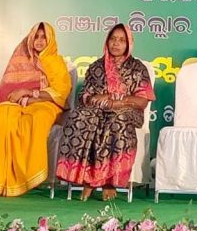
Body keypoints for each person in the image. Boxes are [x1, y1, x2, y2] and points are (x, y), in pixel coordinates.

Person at [56, 24, 155, 201]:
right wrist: (97, 98)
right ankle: (87, 178)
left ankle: (109, 181)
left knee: (116, 120)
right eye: (113, 39)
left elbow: (142, 100)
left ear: (129, 44)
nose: (116, 43)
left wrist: (120, 101)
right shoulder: (96, 67)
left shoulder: (138, 68)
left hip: (127, 111)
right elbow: (84, 96)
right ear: (107, 41)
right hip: (98, 110)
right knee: (80, 117)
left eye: (122, 40)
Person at [0, 22, 71, 196]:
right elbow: (9, 91)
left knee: (32, 121)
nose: (39, 41)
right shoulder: (21, 57)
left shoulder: (56, 61)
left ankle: (26, 176)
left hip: (45, 104)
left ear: (50, 40)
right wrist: (21, 98)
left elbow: (61, 91)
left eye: (44, 37)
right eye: (36, 37)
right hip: (17, 104)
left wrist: (31, 94)